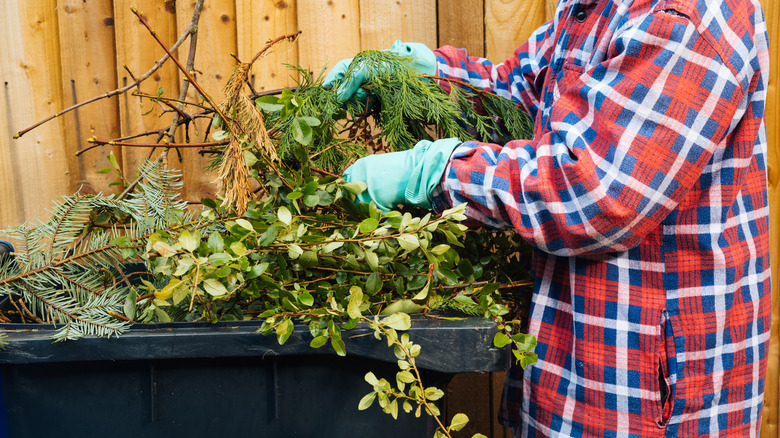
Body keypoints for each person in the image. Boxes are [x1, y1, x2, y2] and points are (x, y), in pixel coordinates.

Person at [325, 0, 771, 435]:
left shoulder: (690, 15)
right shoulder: (595, 6)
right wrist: (422, 77)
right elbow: (528, 100)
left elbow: (590, 196)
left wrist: (435, 173)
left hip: (643, 387)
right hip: (568, 357)